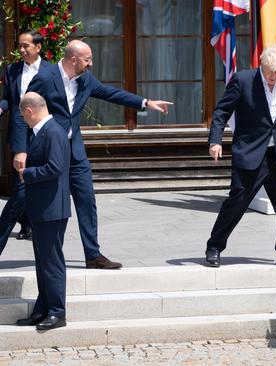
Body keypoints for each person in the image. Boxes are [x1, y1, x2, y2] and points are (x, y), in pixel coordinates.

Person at [17, 40, 173, 269]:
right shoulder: (45, 76)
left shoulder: (85, 79)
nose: (91, 63)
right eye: (87, 59)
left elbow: (111, 93)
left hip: (76, 153)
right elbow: (24, 110)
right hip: (50, 151)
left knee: (87, 200)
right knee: (20, 201)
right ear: (74, 60)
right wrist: (21, 149)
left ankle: (93, 255)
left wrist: (145, 102)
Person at [206, 45, 276, 268]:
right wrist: (215, 141)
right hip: (250, 153)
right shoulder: (243, 80)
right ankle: (214, 246)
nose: (274, 77)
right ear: (261, 66)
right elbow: (221, 112)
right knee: (237, 203)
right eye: (270, 72)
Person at [14, 92, 70, 330]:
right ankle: (43, 309)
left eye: (22, 116)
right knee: (43, 262)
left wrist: (27, 174)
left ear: (29, 111)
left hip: (51, 209)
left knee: (51, 262)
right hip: (43, 208)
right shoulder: (44, 131)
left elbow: (55, 167)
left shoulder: (53, 132)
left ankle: (57, 311)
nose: (24, 121)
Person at [0, 30, 54, 255]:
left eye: (26, 46)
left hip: (41, 136)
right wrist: (1, 106)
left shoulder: (52, 71)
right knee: (18, 184)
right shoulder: (12, 70)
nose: (22, 50)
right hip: (18, 134)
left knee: (22, 189)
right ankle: (28, 223)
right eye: (19, 46)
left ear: (38, 47)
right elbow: (8, 98)